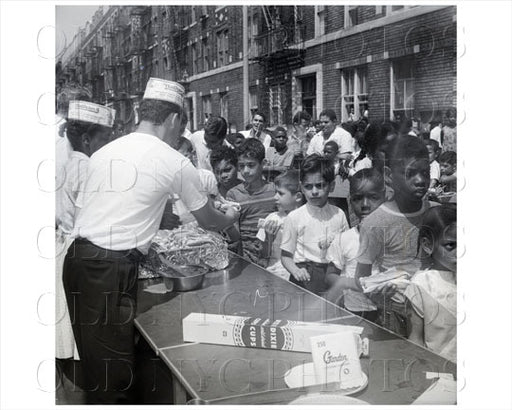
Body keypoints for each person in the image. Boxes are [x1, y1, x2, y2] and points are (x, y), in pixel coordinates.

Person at [63, 78, 239, 404]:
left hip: (80, 262)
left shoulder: (108, 149)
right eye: (180, 126)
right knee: (112, 380)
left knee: (101, 369)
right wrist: (230, 217)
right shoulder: (173, 160)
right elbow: (210, 220)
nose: (179, 136)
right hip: (106, 270)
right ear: (173, 120)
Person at [354, 135, 439, 335]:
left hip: (437, 312)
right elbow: (361, 277)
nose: (420, 180)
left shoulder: (437, 213)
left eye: (425, 173)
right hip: (396, 316)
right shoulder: (375, 223)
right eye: (410, 173)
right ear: (389, 175)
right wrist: (377, 294)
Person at [55, 101, 115, 361]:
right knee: (80, 342)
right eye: (105, 138)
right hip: (79, 254)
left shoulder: (73, 162)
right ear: (87, 139)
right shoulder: (85, 167)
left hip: (67, 250)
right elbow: (89, 219)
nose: (109, 143)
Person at [281, 154, 350, 295]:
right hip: (304, 276)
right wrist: (295, 270)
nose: (314, 192)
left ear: (331, 186)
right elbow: (286, 256)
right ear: (301, 187)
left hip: (332, 274)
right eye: (308, 186)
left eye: (320, 185)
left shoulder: (339, 214)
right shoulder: (294, 217)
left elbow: (346, 249)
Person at [324, 168, 386, 320]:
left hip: (390, 311)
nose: (365, 204)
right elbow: (330, 276)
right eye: (358, 198)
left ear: (385, 197)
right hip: (355, 311)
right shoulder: (343, 239)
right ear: (350, 200)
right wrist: (352, 283)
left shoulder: (395, 238)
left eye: (373, 197)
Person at [404, 204, 457, 362]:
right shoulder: (421, 285)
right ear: (427, 245)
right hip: (440, 372)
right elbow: (415, 340)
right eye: (451, 245)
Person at [227, 138, 277, 263]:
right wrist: (226, 221)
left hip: (274, 257)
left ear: (263, 163)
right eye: (241, 166)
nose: (245, 171)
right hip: (247, 260)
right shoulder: (234, 195)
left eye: (251, 165)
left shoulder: (275, 191)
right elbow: (235, 236)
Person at [256, 170, 304, 280]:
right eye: (275, 192)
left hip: (297, 275)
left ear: (297, 197)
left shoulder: (305, 220)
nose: (275, 197)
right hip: (274, 273)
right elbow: (263, 255)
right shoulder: (272, 218)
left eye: (281, 193)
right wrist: (268, 238)